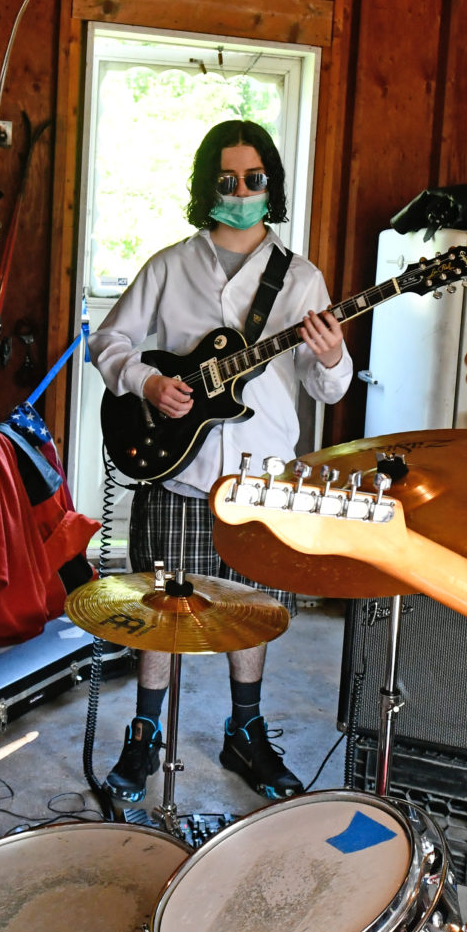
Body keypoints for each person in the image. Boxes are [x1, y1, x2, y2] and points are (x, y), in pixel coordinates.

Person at [90, 120, 352, 804]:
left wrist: (330, 356)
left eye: (254, 179)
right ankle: (144, 732)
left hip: (262, 483)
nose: (241, 192)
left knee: (253, 611)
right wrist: (147, 383)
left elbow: (328, 387)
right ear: (208, 186)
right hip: (178, 473)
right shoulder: (171, 266)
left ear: (273, 186)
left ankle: (246, 729)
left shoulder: (301, 279)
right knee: (163, 609)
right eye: (227, 180)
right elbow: (108, 339)